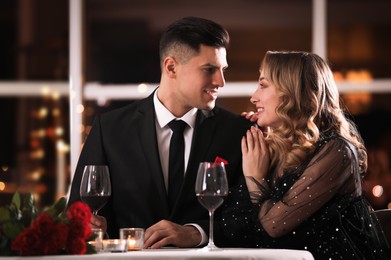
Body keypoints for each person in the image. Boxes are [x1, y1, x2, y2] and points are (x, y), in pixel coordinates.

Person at [67, 16, 251, 249]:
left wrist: (197, 233)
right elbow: (77, 212)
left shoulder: (237, 131)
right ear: (171, 67)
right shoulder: (110, 128)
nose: (221, 81)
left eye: (223, 70)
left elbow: (248, 218)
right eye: (209, 69)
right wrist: (90, 226)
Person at [221, 51, 390, 259]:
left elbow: (272, 226)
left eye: (263, 85)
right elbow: (234, 225)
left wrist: (255, 179)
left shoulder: (337, 152)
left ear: (294, 93)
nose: (253, 97)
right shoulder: (270, 149)